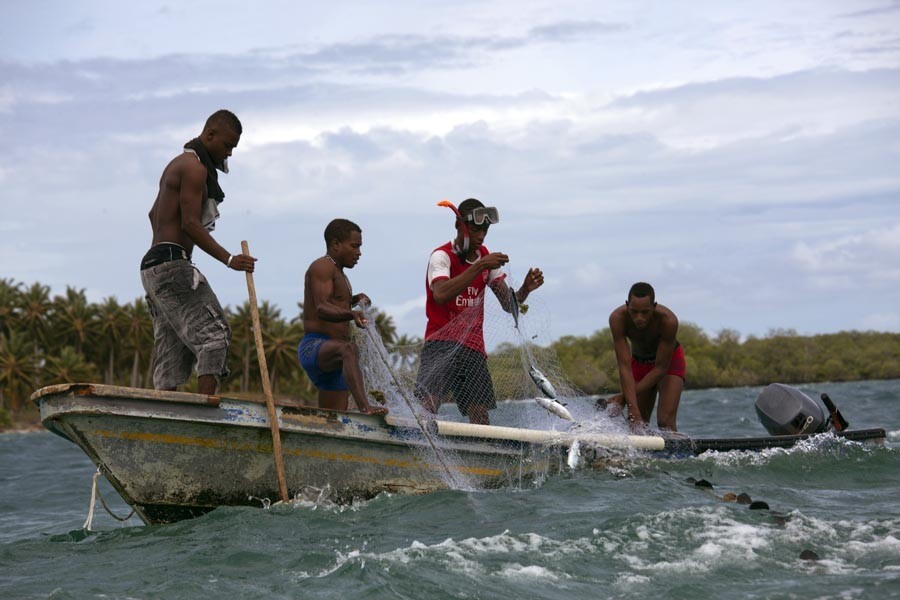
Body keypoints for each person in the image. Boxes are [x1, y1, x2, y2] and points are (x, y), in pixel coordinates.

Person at [140, 109, 257, 396]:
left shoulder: (178, 165)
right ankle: (206, 410)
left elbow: (153, 214)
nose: (229, 154)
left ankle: (165, 415)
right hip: (171, 263)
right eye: (227, 146)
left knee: (172, 349)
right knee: (214, 336)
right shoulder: (194, 168)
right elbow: (190, 223)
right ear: (209, 135)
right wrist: (229, 259)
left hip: (152, 268)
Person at [416, 198, 544, 425]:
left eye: (485, 230)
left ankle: (480, 455)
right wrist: (480, 266)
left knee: (480, 417)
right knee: (428, 407)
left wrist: (525, 289)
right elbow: (441, 293)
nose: (481, 236)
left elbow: (508, 304)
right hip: (440, 343)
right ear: (460, 226)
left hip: (472, 346)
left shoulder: (485, 258)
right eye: (476, 230)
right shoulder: (442, 256)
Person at [299, 219, 388, 416]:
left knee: (333, 421)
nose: (359, 253)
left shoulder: (340, 273)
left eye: (360, 247)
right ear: (336, 244)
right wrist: (352, 313)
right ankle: (365, 407)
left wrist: (355, 299)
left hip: (335, 359)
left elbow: (336, 302)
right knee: (349, 348)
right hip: (315, 347)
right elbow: (322, 307)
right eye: (354, 246)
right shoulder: (322, 267)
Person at [605, 282, 685, 432]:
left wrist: (624, 397)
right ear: (627, 305)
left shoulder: (669, 321)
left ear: (654, 307)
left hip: (669, 362)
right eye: (634, 312)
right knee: (636, 422)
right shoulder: (617, 319)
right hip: (639, 362)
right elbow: (624, 366)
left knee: (665, 422)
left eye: (645, 312)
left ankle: (676, 453)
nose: (639, 318)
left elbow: (660, 369)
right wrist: (632, 407)